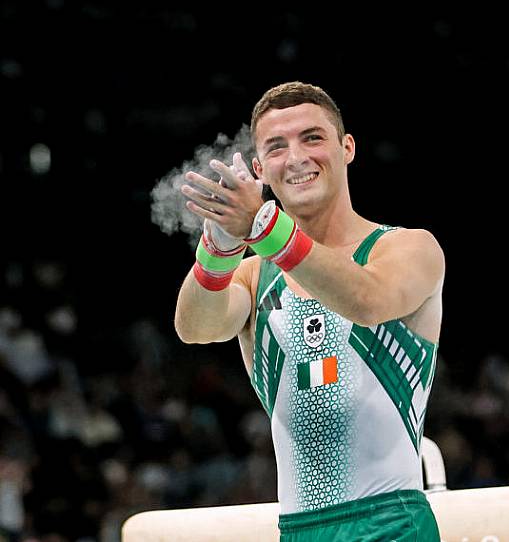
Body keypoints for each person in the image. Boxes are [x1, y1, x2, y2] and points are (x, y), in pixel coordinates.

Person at [173, 81, 445, 541]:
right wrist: (219, 249)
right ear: (259, 169)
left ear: (347, 148)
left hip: (391, 524)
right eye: (276, 147)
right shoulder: (255, 275)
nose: (296, 157)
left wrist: (263, 225)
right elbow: (196, 327)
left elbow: (367, 300)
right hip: (297, 531)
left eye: (312, 138)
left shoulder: (406, 248)